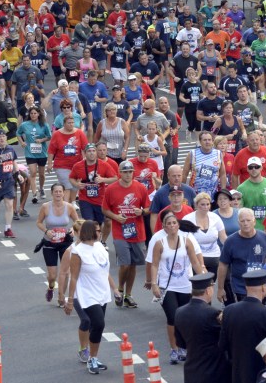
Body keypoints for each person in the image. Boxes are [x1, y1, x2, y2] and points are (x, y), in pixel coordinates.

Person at [148, 209, 206, 364]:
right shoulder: (159, 243)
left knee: (184, 318)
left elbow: (195, 262)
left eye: (174, 223)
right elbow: (154, 265)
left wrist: (203, 281)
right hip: (167, 286)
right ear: (164, 227)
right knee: (173, 317)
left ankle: (184, 347)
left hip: (185, 285)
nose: (172, 226)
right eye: (169, 224)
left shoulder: (186, 240)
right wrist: (153, 283)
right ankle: (174, 349)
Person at [64, 220, 115, 374]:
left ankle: (94, 357)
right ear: (89, 232)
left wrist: (115, 289)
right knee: (99, 323)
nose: (100, 233)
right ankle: (91, 359)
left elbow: (104, 271)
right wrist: (70, 300)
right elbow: (73, 277)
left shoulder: (100, 247)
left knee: (97, 327)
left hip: (102, 292)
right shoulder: (78, 252)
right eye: (98, 230)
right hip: (87, 294)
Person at [102, 160, 151, 309]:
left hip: (137, 231)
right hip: (120, 232)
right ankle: (120, 289)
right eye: (125, 172)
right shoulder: (111, 189)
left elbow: (148, 208)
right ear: (120, 173)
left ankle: (128, 295)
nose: (128, 174)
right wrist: (116, 217)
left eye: (130, 172)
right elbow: (105, 209)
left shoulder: (140, 187)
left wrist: (141, 211)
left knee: (133, 264)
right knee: (125, 264)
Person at [219, 269, 266, 383]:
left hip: (236, 372)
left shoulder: (229, 311)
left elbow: (222, 345)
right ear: (263, 288)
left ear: (246, 288)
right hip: (260, 373)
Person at [174, 272, 230, 381]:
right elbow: (225, 340)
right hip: (213, 370)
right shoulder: (213, 313)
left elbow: (180, 343)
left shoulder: (179, 312)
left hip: (191, 370)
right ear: (208, 290)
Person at [35, 183, 79, 305]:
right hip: (50, 243)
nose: (58, 194)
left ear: (64, 193)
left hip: (65, 242)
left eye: (60, 191)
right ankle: (50, 287)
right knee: (53, 275)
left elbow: (78, 222)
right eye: (56, 192)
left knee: (65, 272)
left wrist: (72, 230)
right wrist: (46, 231)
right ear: (52, 193)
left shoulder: (69, 207)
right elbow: (38, 222)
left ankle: (61, 296)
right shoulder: (45, 207)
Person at [218, 208, 266, 303]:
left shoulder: (263, 237)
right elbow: (223, 265)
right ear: (238, 223)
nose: (245, 223)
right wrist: (220, 288)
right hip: (240, 288)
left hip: (261, 286)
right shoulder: (230, 241)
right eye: (242, 221)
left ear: (254, 221)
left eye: (248, 220)